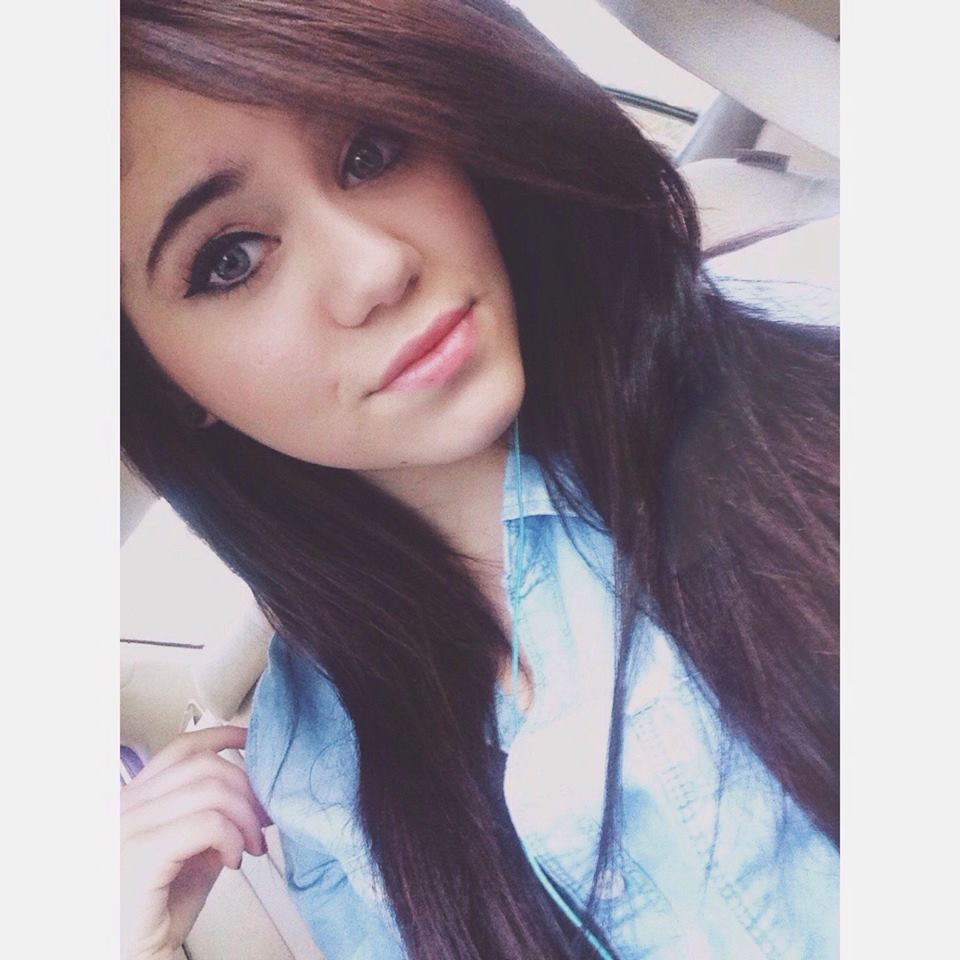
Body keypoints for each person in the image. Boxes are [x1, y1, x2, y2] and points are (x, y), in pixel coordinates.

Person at [118, 1, 839, 958]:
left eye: (371, 152)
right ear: (168, 388)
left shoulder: (812, 369)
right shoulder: (315, 765)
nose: (378, 265)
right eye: (231, 259)